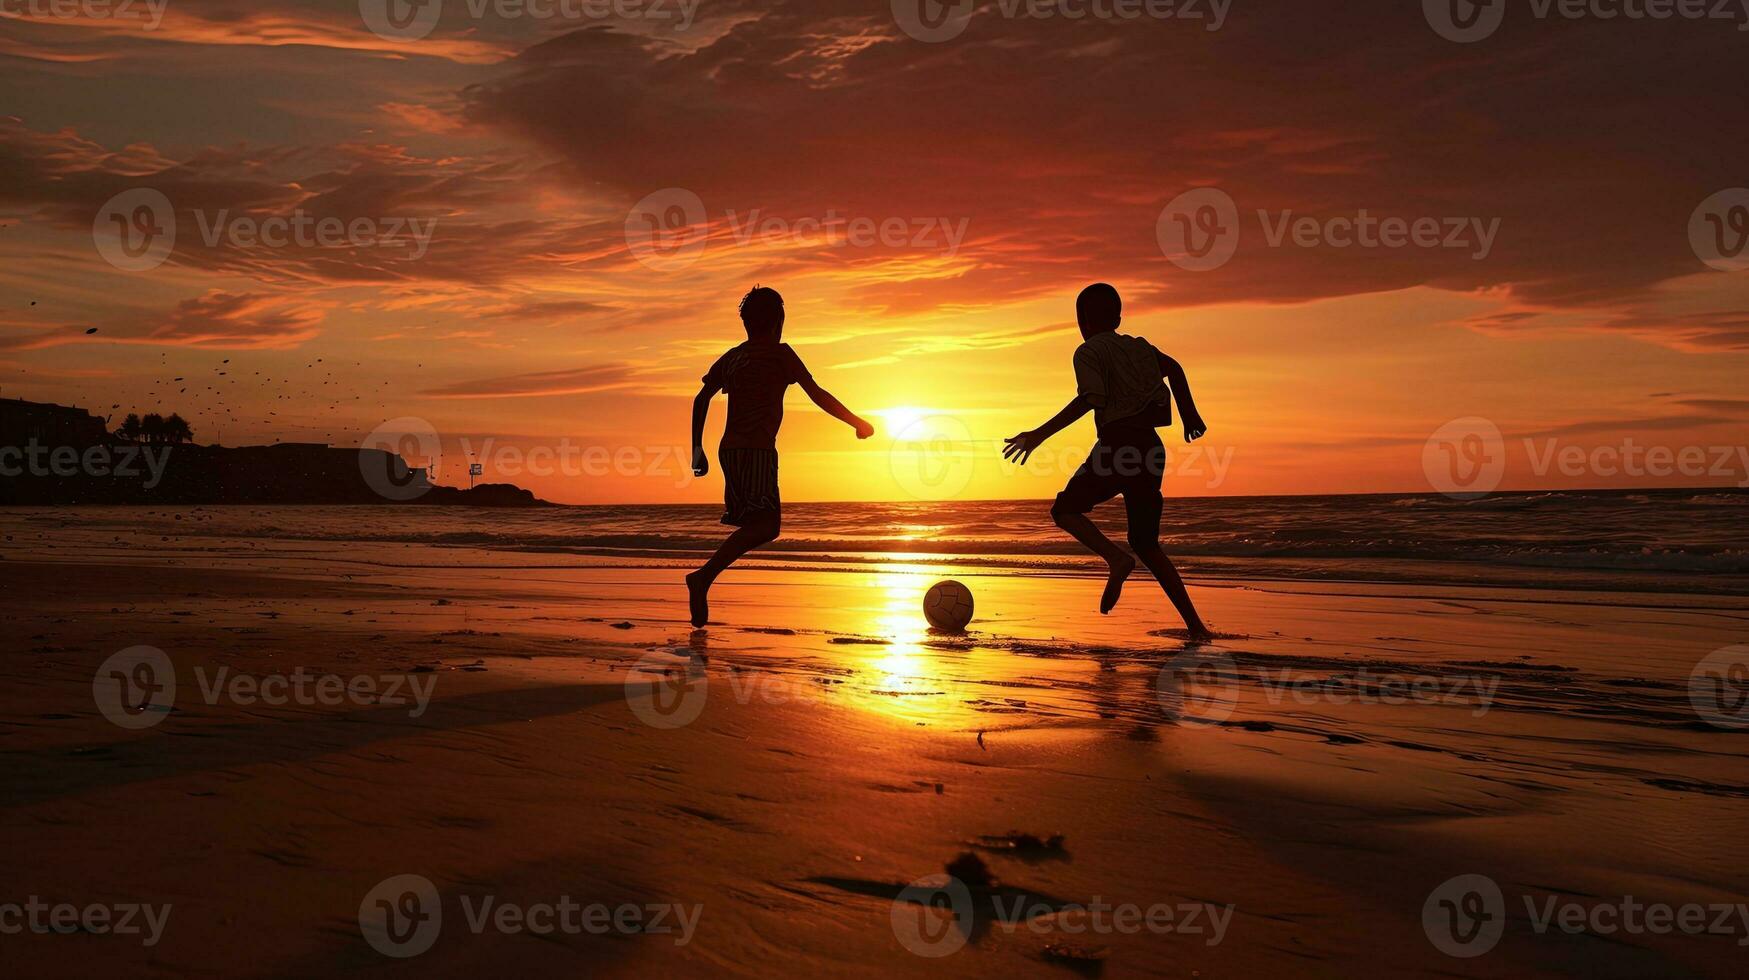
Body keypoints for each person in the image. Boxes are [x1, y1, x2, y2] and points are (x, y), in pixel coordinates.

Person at [1003, 283, 1213, 640]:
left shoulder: (1088, 351)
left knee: (1065, 510)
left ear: (1081, 320)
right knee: (1146, 543)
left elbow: (1089, 399)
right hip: (1150, 448)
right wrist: (1189, 415)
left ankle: (1116, 559)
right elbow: (1174, 368)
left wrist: (1039, 435)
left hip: (1119, 445)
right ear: (1118, 317)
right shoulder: (1140, 347)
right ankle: (1196, 626)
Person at [686, 286, 874, 627]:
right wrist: (856, 422)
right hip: (757, 450)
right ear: (779, 322)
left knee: (756, 524)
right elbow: (816, 393)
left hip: (729, 450)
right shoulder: (781, 354)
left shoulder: (732, 357)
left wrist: (696, 449)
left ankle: (705, 576)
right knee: (767, 526)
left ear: (746, 323)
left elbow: (701, 399)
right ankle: (703, 576)